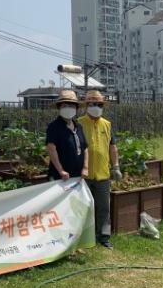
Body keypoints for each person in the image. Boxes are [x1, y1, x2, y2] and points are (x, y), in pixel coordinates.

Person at [79, 90, 121, 249]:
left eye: (98, 104)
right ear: (86, 105)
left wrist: (116, 166)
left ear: (103, 105)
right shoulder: (79, 123)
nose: (95, 106)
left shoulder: (107, 124)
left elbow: (113, 147)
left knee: (104, 207)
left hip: (103, 174)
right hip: (83, 174)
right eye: (91, 103)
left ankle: (104, 237)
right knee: (83, 208)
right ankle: (83, 238)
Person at [46, 90, 89, 183]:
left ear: (76, 109)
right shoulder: (54, 127)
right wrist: (61, 170)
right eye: (64, 106)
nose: (68, 108)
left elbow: (85, 148)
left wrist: (85, 168)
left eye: (72, 106)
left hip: (78, 176)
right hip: (61, 177)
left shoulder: (79, 126)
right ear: (59, 108)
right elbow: (51, 149)